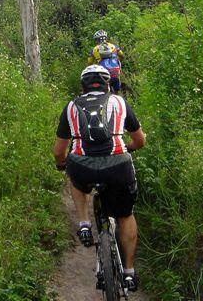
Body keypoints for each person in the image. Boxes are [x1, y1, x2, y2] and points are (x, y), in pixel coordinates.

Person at [53, 65, 145, 291]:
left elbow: (58, 151)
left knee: (74, 179)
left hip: (82, 166)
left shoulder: (71, 107)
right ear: (108, 83)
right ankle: (130, 274)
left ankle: (84, 223)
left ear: (82, 85)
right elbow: (140, 140)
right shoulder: (120, 102)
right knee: (125, 215)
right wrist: (126, 149)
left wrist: (61, 164)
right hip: (118, 165)